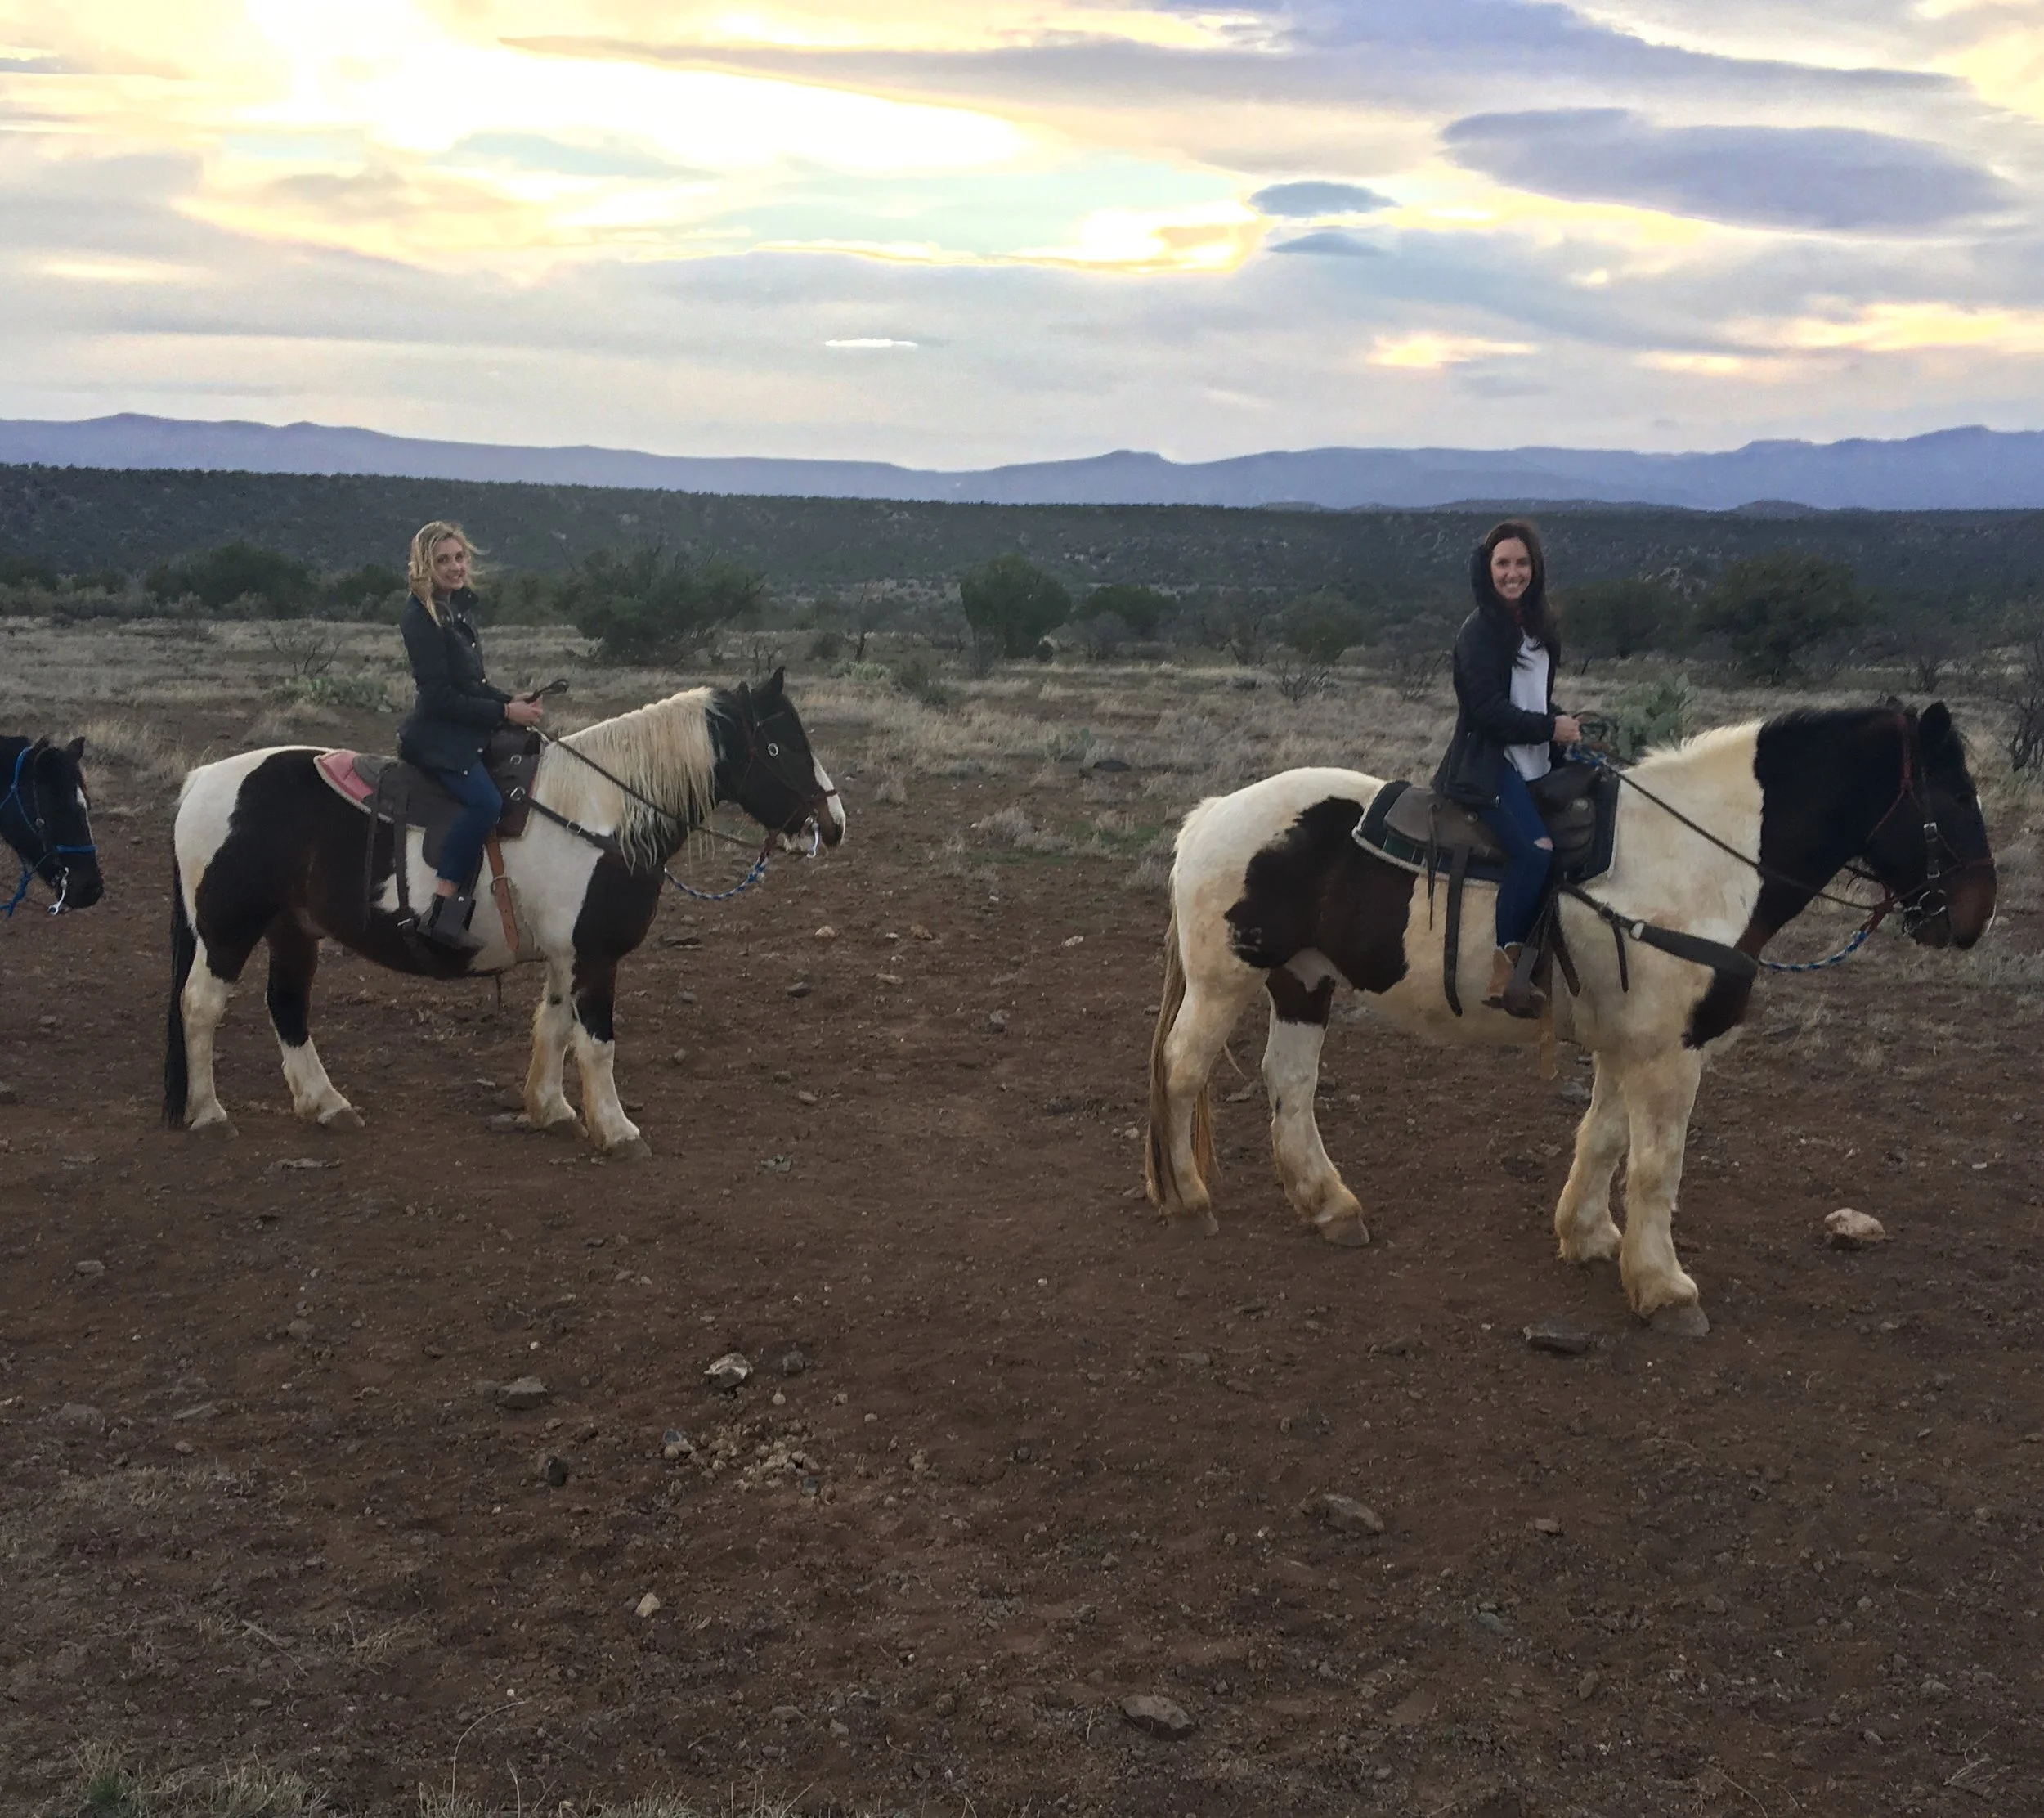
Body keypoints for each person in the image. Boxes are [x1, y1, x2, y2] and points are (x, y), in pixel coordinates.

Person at [1431, 519, 1583, 1017]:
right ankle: (1506, 971)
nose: (1512, 573)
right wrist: (1549, 727)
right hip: (1488, 765)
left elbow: (1530, 699)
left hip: (1535, 759)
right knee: (1536, 852)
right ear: (1488, 568)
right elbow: (1486, 712)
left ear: (1535, 568)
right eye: (1502, 564)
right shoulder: (1479, 633)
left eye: (1521, 563)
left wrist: (1561, 722)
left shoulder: (1538, 629)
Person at [396, 522, 545, 954]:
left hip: (461, 728)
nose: (455, 567)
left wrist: (509, 700)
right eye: (443, 560)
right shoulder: (421, 618)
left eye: (459, 558)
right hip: (436, 737)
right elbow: (439, 697)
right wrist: (504, 713)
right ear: (425, 565)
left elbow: (471, 685)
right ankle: (443, 907)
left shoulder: (454, 610)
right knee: (486, 803)